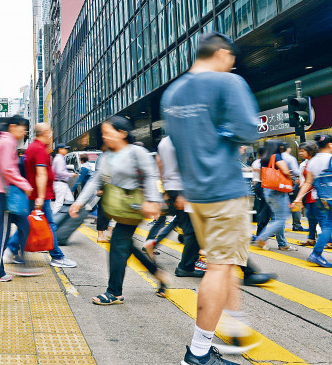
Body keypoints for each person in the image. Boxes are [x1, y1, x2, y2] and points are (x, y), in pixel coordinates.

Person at [162, 32, 260, 364]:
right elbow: (248, 129)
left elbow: (176, 143)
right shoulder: (227, 83)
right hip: (225, 189)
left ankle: (234, 330)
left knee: (225, 263)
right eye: (232, 58)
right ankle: (199, 352)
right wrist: (228, 134)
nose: (233, 64)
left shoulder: (172, 94)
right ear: (221, 54)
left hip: (196, 194)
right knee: (219, 267)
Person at [71, 116, 170, 304]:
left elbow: (150, 176)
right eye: (103, 134)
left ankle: (114, 292)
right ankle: (158, 273)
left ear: (123, 133)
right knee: (125, 244)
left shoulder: (136, 152)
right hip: (116, 207)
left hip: (133, 207)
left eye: (108, 133)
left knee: (117, 243)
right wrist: (80, 202)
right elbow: (96, 180)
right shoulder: (107, 155)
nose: (105, 137)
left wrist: (151, 200)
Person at [3, 123, 77, 269]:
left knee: (29, 225)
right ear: (45, 133)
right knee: (49, 225)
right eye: (50, 131)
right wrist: (41, 197)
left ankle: (10, 250)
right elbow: (41, 174)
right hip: (38, 195)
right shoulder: (39, 149)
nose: (51, 134)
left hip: (34, 194)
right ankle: (57, 256)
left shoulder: (35, 148)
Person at [143, 136, 203, 278]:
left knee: (183, 223)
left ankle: (155, 244)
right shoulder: (183, 138)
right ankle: (186, 266)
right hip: (184, 189)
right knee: (192, 229)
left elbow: (159, 161)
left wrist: (166, 186)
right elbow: (188, 164)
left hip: (174, 188)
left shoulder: (165, 140)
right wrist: (184, 193)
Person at [0, 115, 33, 282]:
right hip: (5, 192)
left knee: (24, 225)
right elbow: (8, 170)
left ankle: (22, 262)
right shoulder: (7, 142)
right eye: (22, 128)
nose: (24, 132)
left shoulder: (6, 141)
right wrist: (25, 184)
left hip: (6, 191)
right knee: (3, 231)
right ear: (13, 126)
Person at [292, 134, 332, 267]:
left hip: (322, 199)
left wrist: (298, 198)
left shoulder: (313, 161)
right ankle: (316, 253)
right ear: (330, 144)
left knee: (327, 225)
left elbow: (308, 182)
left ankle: (316, 254)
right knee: (327, 226)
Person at [252, 140, 298, 252]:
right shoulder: (276, 156)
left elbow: (263, 175)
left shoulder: (264, 159)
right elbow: (285, 171)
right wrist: (291, 174)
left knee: (278, 218)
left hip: (268, 190)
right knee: (281, 219)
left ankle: (282, 244)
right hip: (278, 191)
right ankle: (262, 238)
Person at [297, 142, 319, 247]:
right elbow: (303, 181)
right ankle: (311, 239)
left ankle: (328, 240)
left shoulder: (318, 161)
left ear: (310, 151)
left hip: (320, 194)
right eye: (300, 151)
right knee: (310, 216)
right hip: (309, 195)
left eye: (302, 151)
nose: (300, 153)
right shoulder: (304, 164)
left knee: (322, 218)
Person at [251, 147, 274, 238]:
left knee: (264, 209)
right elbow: (263, 177)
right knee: (265, 210)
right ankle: (261, 233)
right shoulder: (263, 162)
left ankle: (263, 232)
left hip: (258, 186)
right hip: (263, 186)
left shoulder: (256, 162)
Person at [282, 145, 305, 231]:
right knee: (296, 202)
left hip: (279, 184)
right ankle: (296, 225)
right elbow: (296, 171)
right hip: (291, 183)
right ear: (288, 148)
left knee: (283, 204)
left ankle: (280, 227)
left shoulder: (275, 157)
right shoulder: (290, 158)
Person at [52, 143, 74, 214]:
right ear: (60, 150)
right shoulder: (59, 159)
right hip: (60, 183)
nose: (66, 150)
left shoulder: (60, 158)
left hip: (62, 183)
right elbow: (59, 172)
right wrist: (71, 174)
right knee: (59, 203)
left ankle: (66, 219)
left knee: (70, 200)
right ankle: (53, 219)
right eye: (65, 149)